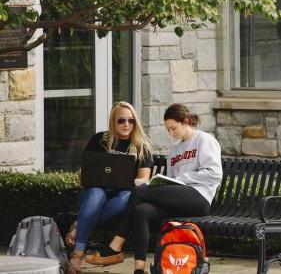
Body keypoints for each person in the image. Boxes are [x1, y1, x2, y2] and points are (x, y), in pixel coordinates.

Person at [85, 103, 222, 274]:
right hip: (178, 198)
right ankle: (139, 269)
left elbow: (214, 173)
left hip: (199, 197)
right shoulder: (174, 152)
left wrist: (181, 180)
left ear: (186, 121)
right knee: (141, 211)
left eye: (173, 128)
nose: (171, 134)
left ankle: (116, 245)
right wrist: (163, 184)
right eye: (168, 130)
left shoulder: (204, 140)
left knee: (139, 191)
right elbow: (171, 182)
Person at [67, 101, 153, 274]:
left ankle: (78, 224)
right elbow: (83, 173)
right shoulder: (100, 140)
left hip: (121, 197)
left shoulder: (141, 147)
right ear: (113, 122)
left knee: (127, 196)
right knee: (97, 194)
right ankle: (78, 252)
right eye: (121, 120)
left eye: (131, 120)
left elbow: (144, 179)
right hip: (94, 192)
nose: (127, 124)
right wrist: (84, 175)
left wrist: (135, 181)